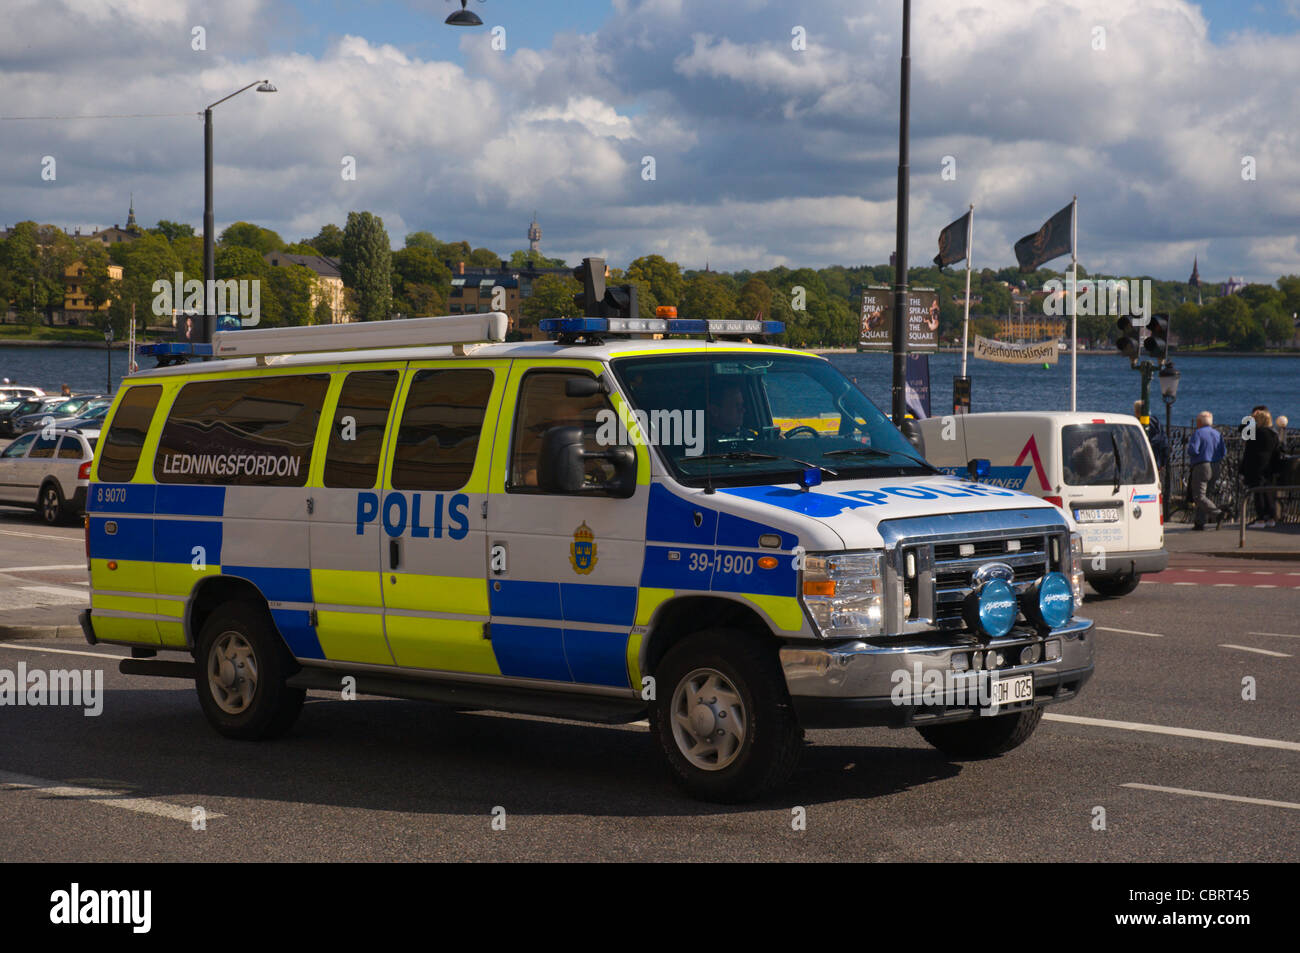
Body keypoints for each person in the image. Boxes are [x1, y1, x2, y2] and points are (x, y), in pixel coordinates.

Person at [1239, 408, 1281, 528]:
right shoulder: (1273, 434)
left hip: (1254, 466)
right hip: (1268, 466)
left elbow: (1242, 431)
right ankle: (1271, 517)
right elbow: (1276, 452)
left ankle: (1261, 519)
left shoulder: (1255, 433)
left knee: (1258, 492)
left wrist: (1249, 419)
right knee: (1268, 492)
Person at [1187, 411, 1225, 530]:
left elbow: (1193, 450)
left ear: (1199, 422)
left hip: (1202, 466)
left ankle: (1218, 513)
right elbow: (1223, 452)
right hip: (1216, 465)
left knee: (1199, 496)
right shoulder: (1217, 434)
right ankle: (1200, 522)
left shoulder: (1198, 433)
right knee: (1207, 494)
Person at [1135, 400, 1168, 469]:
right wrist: (1162, 463)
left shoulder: (1136, 424)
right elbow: (1164, 443)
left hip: (1140, 463)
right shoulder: (1156, 422)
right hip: (1156, 462)